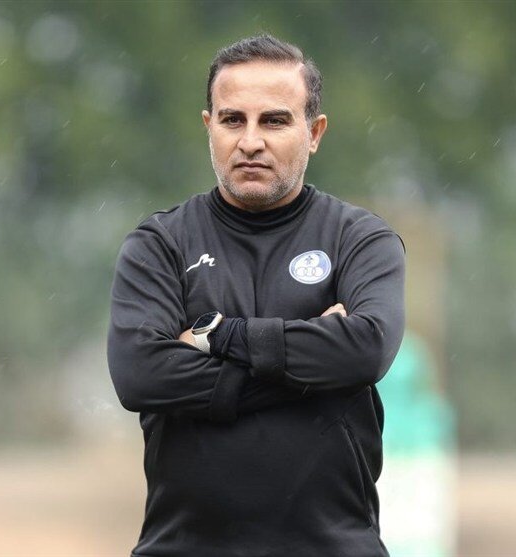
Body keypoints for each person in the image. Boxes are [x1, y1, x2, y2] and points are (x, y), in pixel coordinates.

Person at [107, 34, 405, 557]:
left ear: (314, 132)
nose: (250, 141)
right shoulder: (160, 243)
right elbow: (140, 374)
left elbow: (366, 349)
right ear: (209, 127)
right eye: (232, 120)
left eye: (274, 121)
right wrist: (312, 367)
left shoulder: (360, 240)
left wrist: (217, 336)